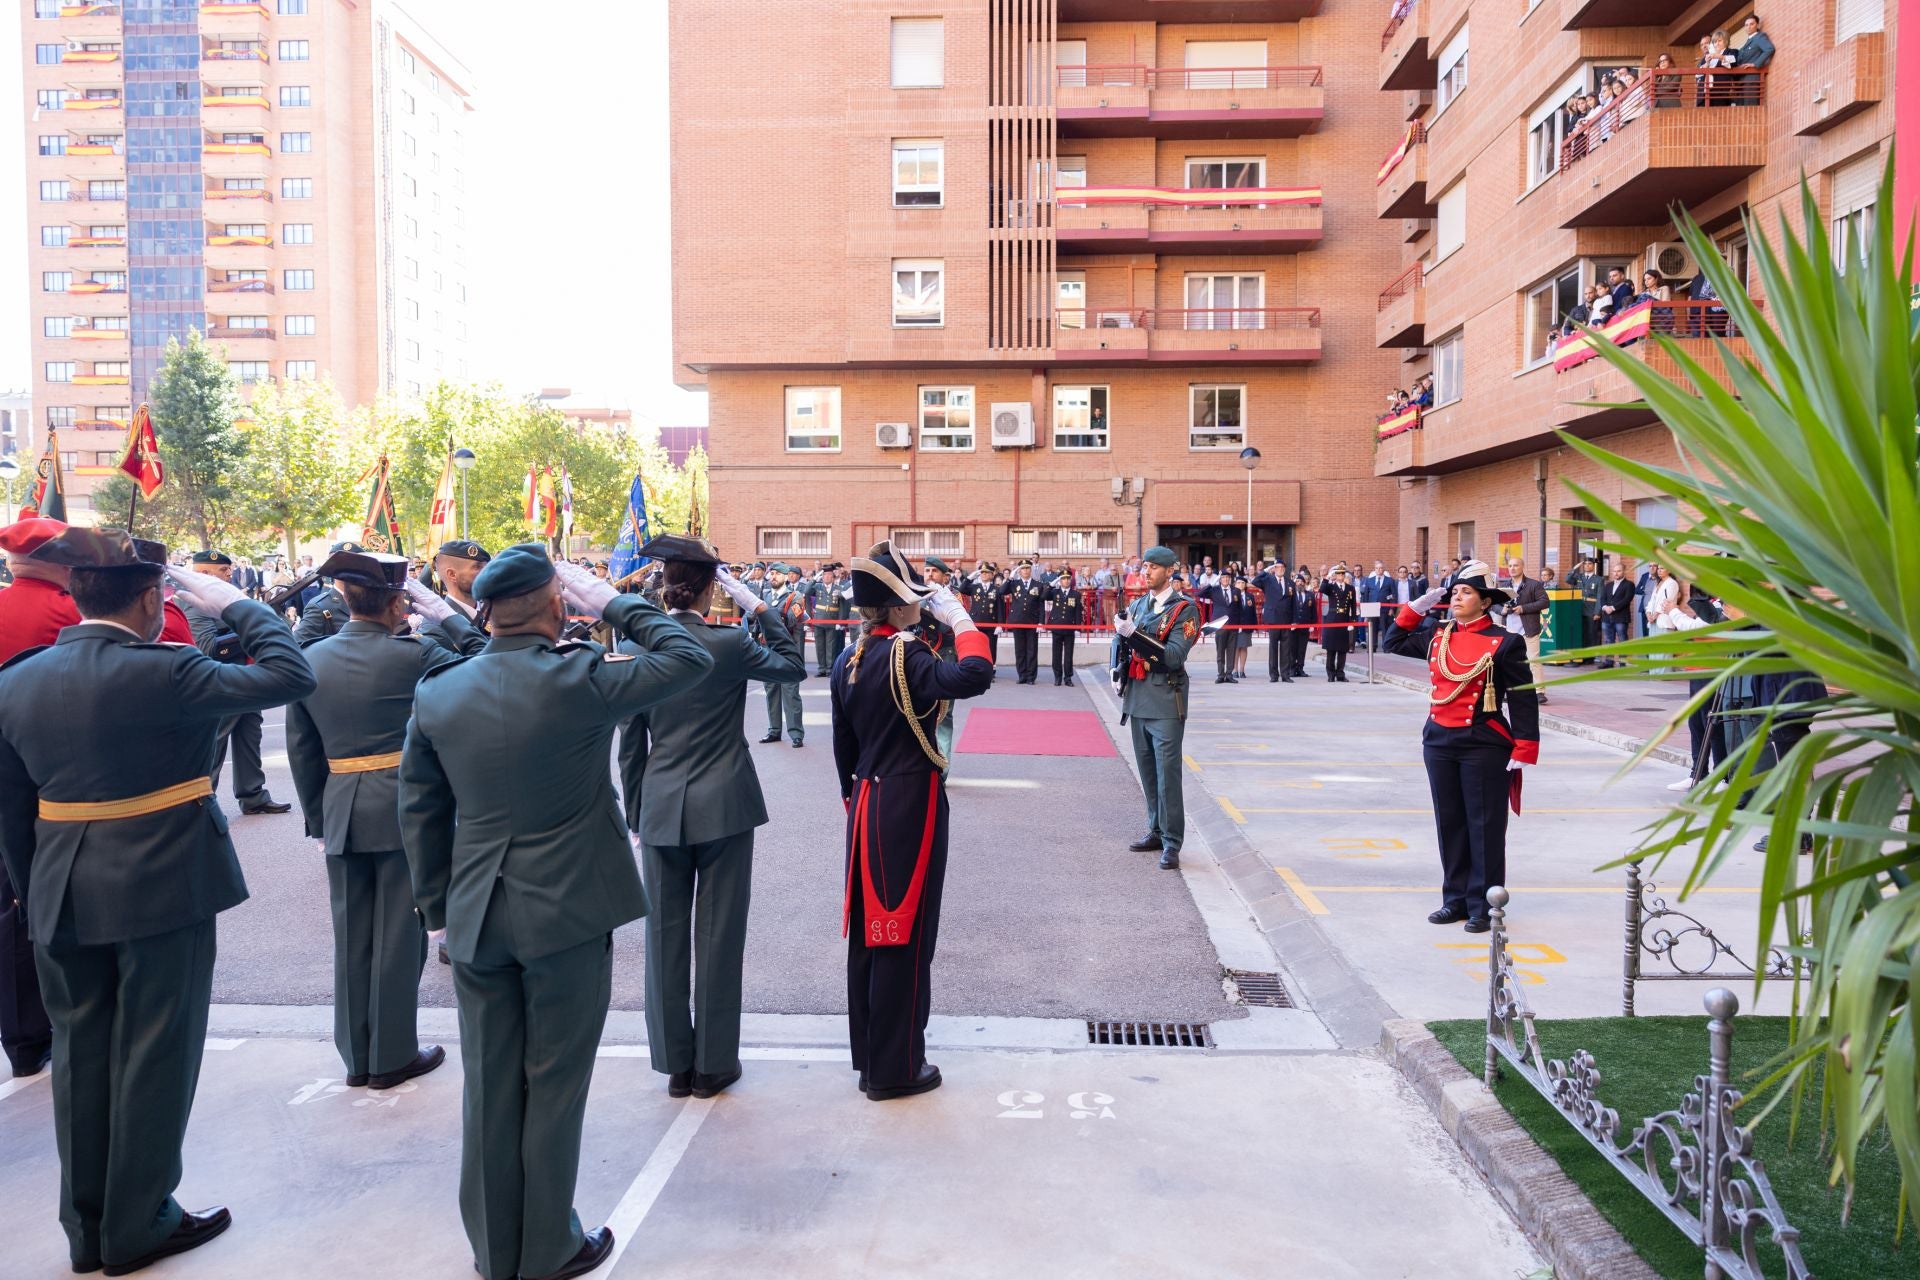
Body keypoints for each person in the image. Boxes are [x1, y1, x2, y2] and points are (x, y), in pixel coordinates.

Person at [0, 527, 316, 1275]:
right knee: (155, 1052)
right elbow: (290, 673)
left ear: (76, 594)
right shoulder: (172, 670)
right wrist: (235, 602)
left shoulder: (16, 679)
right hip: (163, 882)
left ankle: (87, 1228)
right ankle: (139, 1221)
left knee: (81, 1055)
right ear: (151, 598)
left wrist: (32, 891)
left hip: (60, 886)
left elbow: (11, 810)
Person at [399, 544, 713, 1280]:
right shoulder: (581, 677)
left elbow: (420, 808)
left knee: (488, 1086)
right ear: (556, 606)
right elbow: (688, 656)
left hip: (477, 912)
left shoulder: (438, 690)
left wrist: (438, 910)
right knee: (554, 1083)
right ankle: (546, 1246)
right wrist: (612, 600)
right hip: (567, 912)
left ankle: (495, 1249)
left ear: (486, 612)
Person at [285, 551, 484, 1092]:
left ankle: (357, 1055)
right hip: (404, 808)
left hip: (341, 807)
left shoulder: (311, 658)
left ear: (345, 599)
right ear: (398, 602)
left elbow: (302, 749)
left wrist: (319, 818)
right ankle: (392, 1054)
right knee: (399, 935)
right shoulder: (416, 654)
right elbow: (484, 658)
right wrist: (444, 613)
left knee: (353, 936)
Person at [617, 535, 805, 1101]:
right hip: (725, 803)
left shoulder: (638, 645)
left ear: (663, 589)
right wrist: (761, 607)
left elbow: (631, 740)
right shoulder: (729, 643)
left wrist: (636, 811)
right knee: (720, 937)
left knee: (663, 938)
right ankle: (714, 1062)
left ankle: (675, 1063)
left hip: (661, 803)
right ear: (709, 592)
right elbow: (792, 668)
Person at [831, 541, 993, 1100]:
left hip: (866, 801)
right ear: (900, 606)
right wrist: (961, 619)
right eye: (918, 599)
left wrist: (855, 799)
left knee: (870, 937)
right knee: (906, 933)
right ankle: (896, 1068)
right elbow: (974, 675)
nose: (924, 605)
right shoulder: (907, 655)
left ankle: (870, 1057)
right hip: (908, 801)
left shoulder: (849, 658)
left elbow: (844, 749)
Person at [1382, 562, 1540, 933]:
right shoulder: (1438, 635)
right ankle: (1454, 899)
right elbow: (1393, 642)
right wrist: (1417, 607)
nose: (1457, 597)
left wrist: (1525, 746)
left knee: (1483, 825)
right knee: (1449, 821)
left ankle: (1482, 906)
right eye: (1455, 592)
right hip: (1439, 739)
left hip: (1483, 742)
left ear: (1485, 602)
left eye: (1466, 592)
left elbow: (1522, 696)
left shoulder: (1505, 642)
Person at [0, 517, 73, 1084]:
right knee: (40, 898)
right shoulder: (67, 614)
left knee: (8, 902)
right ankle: (55, 1021)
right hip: (45, 777)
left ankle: (22, 1039)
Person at [178, 549, 295, 815]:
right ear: (204, 573)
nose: (230, 574)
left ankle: (252, 794)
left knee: (249, 735)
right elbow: (207, 646)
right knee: (216, 743)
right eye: (223, 570)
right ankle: (202, 801)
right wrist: (250, 627)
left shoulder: (223, 597)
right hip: (218, 682)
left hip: (243, 677)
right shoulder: (194, 600)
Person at [1110, 546, 1201, 871]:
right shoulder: (1138, 604)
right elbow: (1119, 640)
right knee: (1148, 773)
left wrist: (1134, 634)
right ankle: (1156, 830)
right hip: (1138, 697)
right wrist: (1114, 667)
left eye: (1152, 567)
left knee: (1167, 775)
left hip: (1165, 699)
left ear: (1169, 571)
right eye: (1144, 566)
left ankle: (1172, 841)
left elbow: (1173, 656)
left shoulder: (1185, 610)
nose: (1146, 572)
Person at [758, 564, 808, 747]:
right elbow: (753, 617)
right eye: (772, 573)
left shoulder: (796, 597)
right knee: (771, 689)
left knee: (790, 691)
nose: (773, 576)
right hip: (767, 649)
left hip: (788, 650)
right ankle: (774, 730)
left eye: (778, 574)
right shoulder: (765, 596)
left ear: (786, 577)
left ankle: (796, 733)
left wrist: (767, 616)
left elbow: (790, 619)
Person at [293, 540, 366, 645]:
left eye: (356, 564)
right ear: (333, 568)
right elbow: (298, 645)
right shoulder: (320, 607)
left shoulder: (371, 600)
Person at [1002, 560, 1047, 685]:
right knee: (1020, 650)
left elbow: (1041, 605)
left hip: (1032, 621)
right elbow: (1001, 591)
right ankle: (1022, 675)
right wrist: (1010, 578)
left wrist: (1041, 622)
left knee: (1032, 650)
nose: (1025, 571)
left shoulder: (1038, 584)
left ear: (1030, 570)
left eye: (1027, 568)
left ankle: (1031, 677)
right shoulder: (1014, 583)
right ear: (1019, 571)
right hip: (1018, 621)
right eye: (1023, 568)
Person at [433, 539, 491, 622]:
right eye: (477, 567)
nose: (486, 571)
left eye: (487, 566)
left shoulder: (493, 612)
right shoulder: (438, 623)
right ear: (452, 574)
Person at [1318, 565, 1358, 682]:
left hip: (1344, 619)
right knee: (1331, 649)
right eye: (1338, 574)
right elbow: (1321, 589)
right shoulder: (1331, 587)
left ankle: (1340, 674)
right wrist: (1327, 577)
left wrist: (1352, 621)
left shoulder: (1350, 588)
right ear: (1335, 575)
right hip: (1332, 619)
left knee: (1342, 649)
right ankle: (1330, 674)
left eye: (1342, 574)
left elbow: (1353, 605)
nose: (1341, 575)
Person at [1252, 559, 1290, 682]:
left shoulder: (1289, 582)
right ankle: (1274, 675)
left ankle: (1285, 674)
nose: (1280, 569)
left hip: (1286, 619)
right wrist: (1266, 570)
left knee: (1285, 649)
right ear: (1274, 569)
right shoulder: (1268, 580)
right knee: (1273, 649)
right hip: (1273, 619)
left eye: (1282, 567)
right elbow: (1254, 581)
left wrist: (1294, 620)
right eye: (1278, 567)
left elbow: (1293, 602)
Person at [1046, 567, 1085, 686]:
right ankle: (1057, 677)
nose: (1066, 581)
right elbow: (1043, 596)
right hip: (1057, 626)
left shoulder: (1076, 594)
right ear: (1060, 580)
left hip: (1069, 627)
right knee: (1056, 654)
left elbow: (1078, 612)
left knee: (1068, 655)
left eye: (1068, 578)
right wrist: (1052, 584)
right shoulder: (1055, 592)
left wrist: (1077, 628)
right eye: (1063, 579)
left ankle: (1068, 678)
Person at [1597, 563, 1633, 665]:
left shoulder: (1629, 585)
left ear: (1624, 572)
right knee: (1608, 640)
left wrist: (1612, 608)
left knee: (1622, 640)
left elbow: (1626, 599)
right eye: (1614, 571)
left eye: (1618, 571)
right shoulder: (1608, 585)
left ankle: (1622, 663)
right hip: (1607, 617)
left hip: (1621, 617)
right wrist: (1605, 607)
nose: (1616, 573)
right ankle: (1609, 662)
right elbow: (1602, 598)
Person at [1227, 575, 1256, 678]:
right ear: (1235, 584)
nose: (1241, 585)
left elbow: (1253, 612)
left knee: (1244, 647)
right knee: (1235, 648)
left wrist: (1254, 626)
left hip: (1246, 625)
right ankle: (1234, 670)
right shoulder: (1231, 594)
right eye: (1238, 583)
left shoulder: (1250, 596)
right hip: (1234, 625)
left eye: (1243, 583)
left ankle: (1242, 670)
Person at [1360, 560, 1393, 651]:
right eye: (1377, 568)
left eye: (1381, 568)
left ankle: (1386, 647)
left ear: (1384, 569)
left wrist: (1391, 608)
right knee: (1372, 628)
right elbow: (1366, 595)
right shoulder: (1369, 580)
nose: (1379, 570)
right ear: (1374, 569)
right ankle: (1372, 647)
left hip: (1384, 608)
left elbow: (1393, 595)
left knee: (1385, 628)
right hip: (1372, 608)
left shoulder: (1389, 580)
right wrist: (1365, 609)